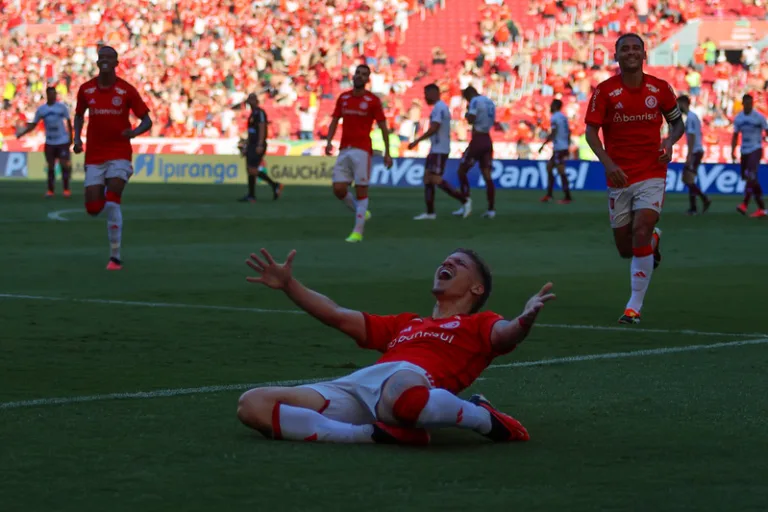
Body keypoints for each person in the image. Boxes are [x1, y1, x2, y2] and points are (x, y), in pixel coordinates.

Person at [237, 247, 556, 445]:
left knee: (402, 389)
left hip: (408, 383)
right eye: (446, 259)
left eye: (458, 263)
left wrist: (524, 319)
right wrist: (290, 285)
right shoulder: (406, 323)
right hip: (361, 387)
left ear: (476, 287)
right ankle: (371, 435)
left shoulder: (478, 323)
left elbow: (505, 334)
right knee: (253, 405)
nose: (447, 262)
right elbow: (336, 315)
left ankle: (483, 418)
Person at [584, 33, 685, 324]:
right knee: (626, 249)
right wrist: (608, 164)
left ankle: (633, 306)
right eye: (624, 49)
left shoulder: (660, 88)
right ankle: (653, 240)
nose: (630, 53)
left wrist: (669, 143)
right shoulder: (604, 91)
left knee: (640, 228)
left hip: (652, 170)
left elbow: (677, 123)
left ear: (644, 54)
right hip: (619, 176)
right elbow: (591, 132)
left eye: (635, 48)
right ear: (616, 55)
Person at [73, 46, 153, 271]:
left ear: (117, 63)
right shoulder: (86, 89)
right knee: (93, 208)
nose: (104, 61)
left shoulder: (126, 90)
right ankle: (113, 247)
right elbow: (78, 115)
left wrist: (134, 133)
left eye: (109, 58)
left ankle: (115, 257)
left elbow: (147, 120)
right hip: (95, 155)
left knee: (113, 197)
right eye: (101, 58)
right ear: (97, 62)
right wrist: (77, 139)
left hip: (119, 153)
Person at [325, 64, 393, 243]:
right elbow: (334, 120)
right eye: (358, 73)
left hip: (362, 150)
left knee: (361, 189)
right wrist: (328, 141)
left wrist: (387, 152)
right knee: (338, 189)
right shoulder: (344, 97)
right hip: (344, 148)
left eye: (364, 74)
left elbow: (383, 127)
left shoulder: (372, 101)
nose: (359, 76)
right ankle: (361, 211)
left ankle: (357, 231)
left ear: (367, 79)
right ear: (353, 75)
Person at [408, 83, 467, 220]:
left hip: (440, 149)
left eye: (426, 94)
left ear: (434, 93)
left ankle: (464, 200)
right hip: (435, 149)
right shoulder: (439, 108)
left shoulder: (439, 108)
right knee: (428, 179)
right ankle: (430, 212)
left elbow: (435, 127)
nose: (425, 97)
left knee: (435, 179)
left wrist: (417, 141)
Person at [15, 86, 73, 198]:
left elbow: (69, 122)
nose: (54, 96)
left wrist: (71, 138)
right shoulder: (42, 109)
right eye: (52, 94)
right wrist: (22, 133)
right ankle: (50, 190)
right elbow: (34, 124)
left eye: (55, 93)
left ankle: (66, 189)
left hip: (62, 141)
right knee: (50, 166)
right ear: (47, 95)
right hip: (50, 141)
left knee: (64, 164)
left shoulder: (62, 107)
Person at [453, 86, 497, 219]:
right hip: (488, 139)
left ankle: (466, 202)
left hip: (477, 139)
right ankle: (491, 209)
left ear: (468, 96)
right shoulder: (490, 102)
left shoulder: (474, 101)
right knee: (487, 175)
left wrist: (467, 113)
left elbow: (471, 119)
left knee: (461, 171)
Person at [238, 93, 282, 203]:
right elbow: (250, 132)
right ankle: (251, 195)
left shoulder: (260, 113)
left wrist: (260, 144)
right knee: (249, 169)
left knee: (252, 169)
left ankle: (275, 184)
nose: (249, 102)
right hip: (252, 144)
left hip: (257, 144)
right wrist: (246, 146)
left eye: (251, 100)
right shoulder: (252, 114)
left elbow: (262, 128)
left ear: (255, 101)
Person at [732, 93, 768, 218]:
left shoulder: (759, 117)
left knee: (751, 176)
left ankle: (746, 205)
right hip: (744, 150)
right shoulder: (739, 118)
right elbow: (735, 135)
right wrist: (733, 150)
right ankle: (761, 208)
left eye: (750, 103)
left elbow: (767, 130)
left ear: (752, 104)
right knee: (750, 179)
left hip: (756, 149)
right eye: (746, 103)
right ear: (742, 104)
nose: (748, 105)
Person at [677, 95, 711, 215]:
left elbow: (691, 137)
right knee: (687, 179)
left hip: (695, 152)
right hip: (696, 151)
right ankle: (700, 202)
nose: (677, 106)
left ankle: (697, 205)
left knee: (688, 179)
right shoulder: (692, 116)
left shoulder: (691, 117)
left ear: (683, 103)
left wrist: (689, 155)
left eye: (678, 104)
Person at [538, 98, 573, 204]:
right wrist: (567, 145)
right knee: (549, 167)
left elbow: (553, 133)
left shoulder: (555, 117)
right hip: (562, 147)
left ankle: (567, 196)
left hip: (559, 148)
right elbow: (568, 132)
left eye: (552, 105)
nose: (550, 106)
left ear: (555, 106)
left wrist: (543, 145)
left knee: (561, 171)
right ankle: (549, 195)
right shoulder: (563, 117)